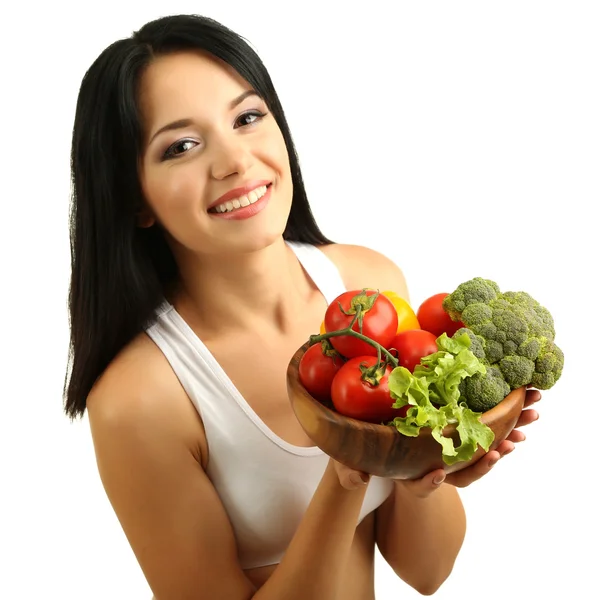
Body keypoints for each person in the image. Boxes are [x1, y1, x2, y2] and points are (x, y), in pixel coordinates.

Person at [63, 13, 541, 600]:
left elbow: (427, 572)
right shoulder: (140, 399)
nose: (236, 161)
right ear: (135, 198)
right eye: (181, 146)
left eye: (246, 117)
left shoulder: (369, 286)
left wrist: (422, 471)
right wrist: (347, 472)